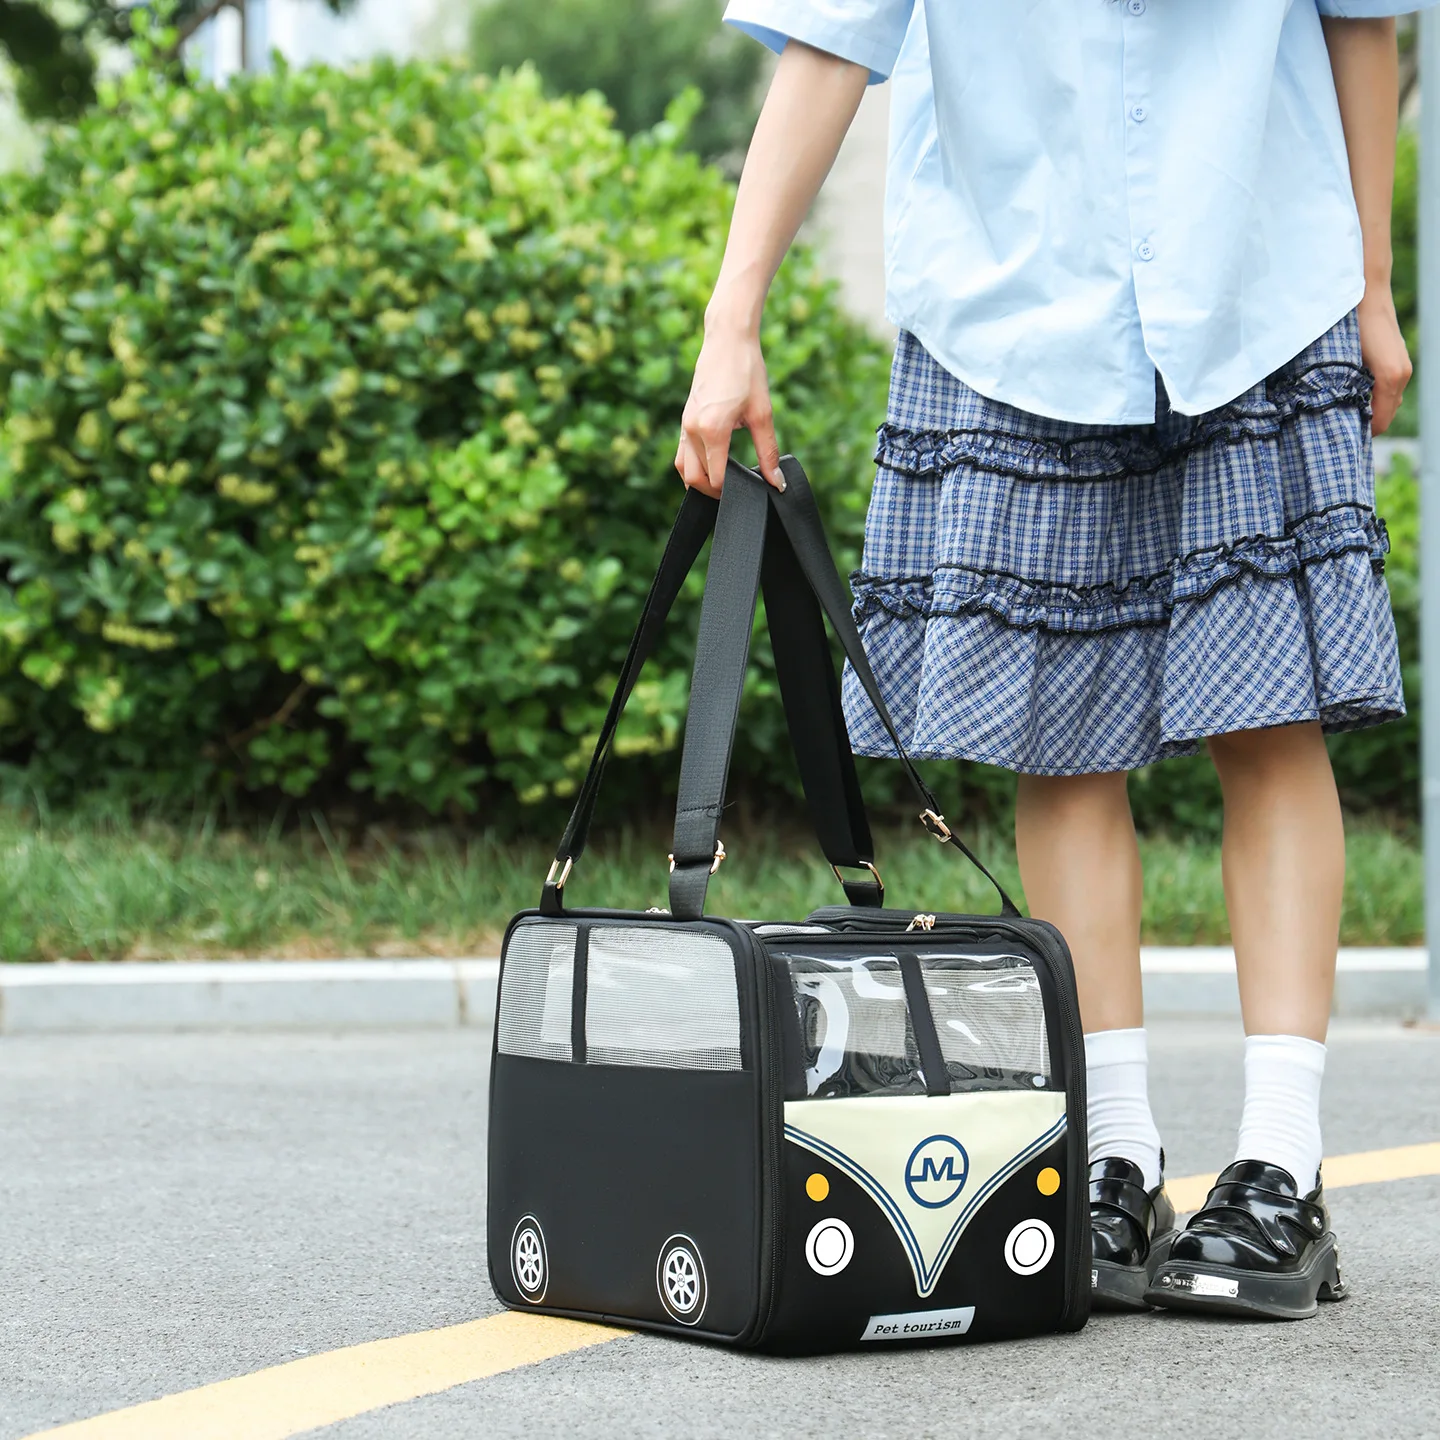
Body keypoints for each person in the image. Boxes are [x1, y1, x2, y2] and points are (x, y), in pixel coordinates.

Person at [677, 0, 1430, 1320]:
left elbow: (1357, 18)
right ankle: (1113, 1159)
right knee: (1061, 740)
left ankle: (1281, 1166)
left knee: (1272, 722)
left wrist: (1372, 285)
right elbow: (828, 36)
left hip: (1258, 280)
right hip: (1016, 301)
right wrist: (730, 319)